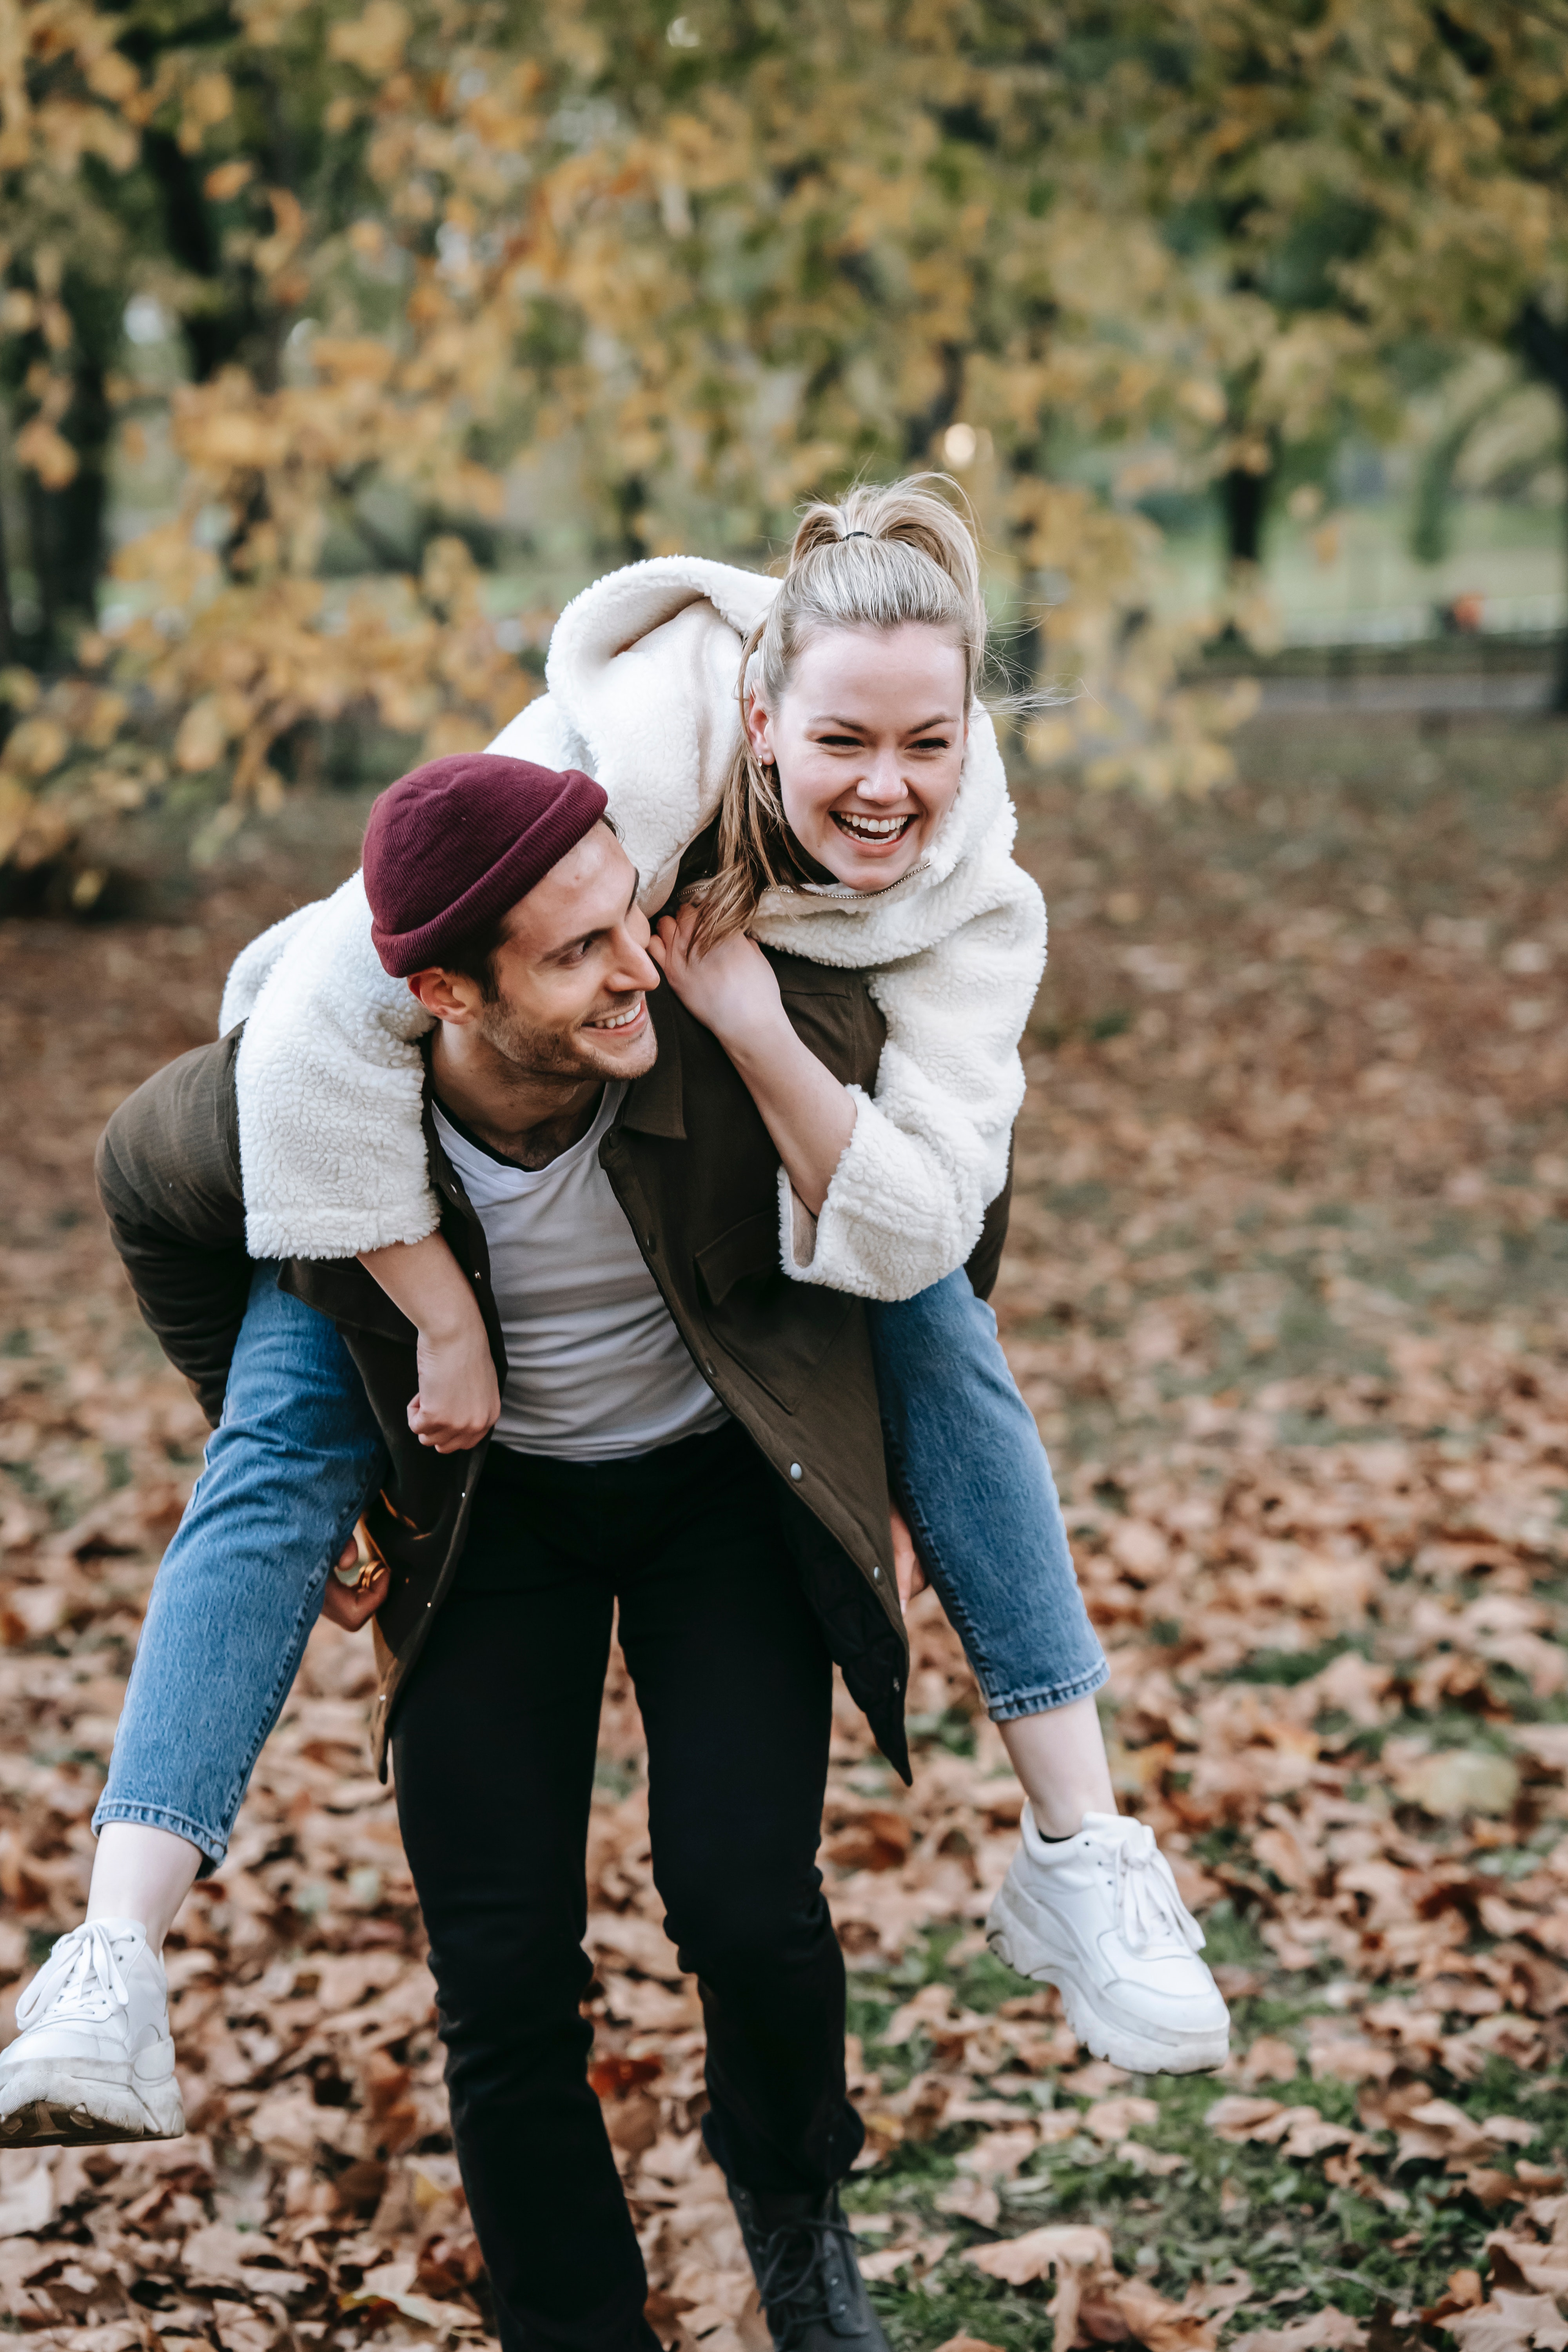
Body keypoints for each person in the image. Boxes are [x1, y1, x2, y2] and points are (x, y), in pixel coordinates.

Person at [9, 755, 929, 2352]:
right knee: (500, 1973)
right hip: (493, 1525)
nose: (637, 963)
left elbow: (938, 1195)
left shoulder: (723, 1028)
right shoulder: (297, 1114)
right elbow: (141, 1187)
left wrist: (890, 1463)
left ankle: (795, 2224)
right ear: (441, 990)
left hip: (715, 1497)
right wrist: (299, 1423)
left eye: (623, 916)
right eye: (576, 953)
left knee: (745, 1905)